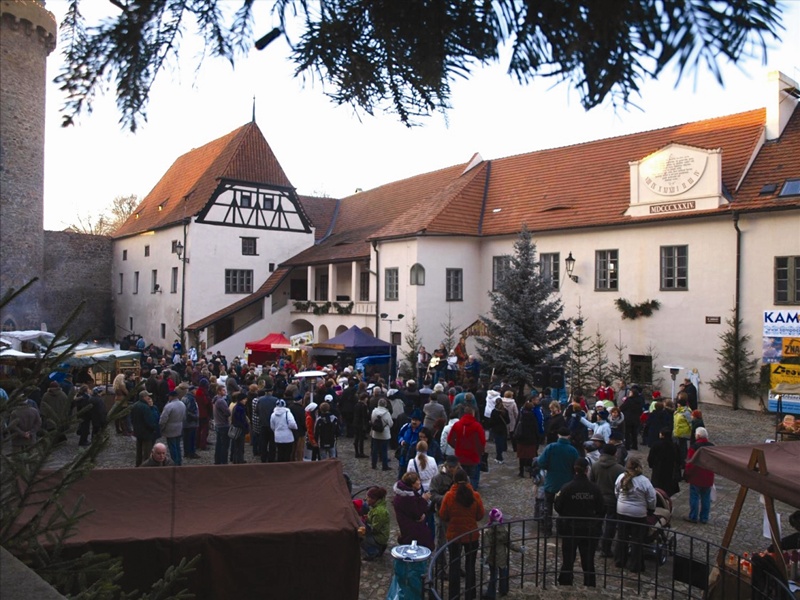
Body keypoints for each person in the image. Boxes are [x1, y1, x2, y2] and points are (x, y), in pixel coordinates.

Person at [554, 457, 605, 587]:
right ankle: (589, 583)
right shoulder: (594, 489)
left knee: (568, 558)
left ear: (574, 470)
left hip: (570, 527)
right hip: (589, 528)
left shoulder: (567, 487)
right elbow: (602, 508)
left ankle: (565, 581)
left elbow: (558, 506)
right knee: (588, 560)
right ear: (587, 470)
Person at [439, 469, 485, 600]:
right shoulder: (475, 495)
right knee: (470, 566)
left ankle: (454, 595)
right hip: (471, 534)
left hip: (454, 535)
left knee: (454, 565)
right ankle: (470, 594)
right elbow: (480, 515)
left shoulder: (449, 496)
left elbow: (443, 515)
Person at [614, 457, 657, 573]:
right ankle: (635, 565)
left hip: (622, 510)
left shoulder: (621, 477)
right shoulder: (644, 481)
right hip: (638, 513)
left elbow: (616, 492)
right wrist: (651, 509)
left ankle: (620, 560)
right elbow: (652, 497)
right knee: (637, 539)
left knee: (622, 536)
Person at [534, 427, 580, 535]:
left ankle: (547, 528)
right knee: (564, 508)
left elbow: (541, 462)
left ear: (558, 435)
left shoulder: (551, 447)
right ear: (569, 436)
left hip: (551, 481)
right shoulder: (573, 450)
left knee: (547, 506)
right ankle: (562, 529)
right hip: (567, 483)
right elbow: (576, 467)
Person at [591, 443, 626, 557]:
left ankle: (594, 544)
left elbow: (591, 482)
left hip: (598, 499)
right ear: (614, 454)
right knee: (610, 525)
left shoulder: (595, 466)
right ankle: (606, 549)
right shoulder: (619, 469)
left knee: (597, 522)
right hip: (612, 500)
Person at [482, 508, 524, 599]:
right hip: (502, 556)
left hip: (492, 557)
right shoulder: (504, 532)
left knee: (493, 576)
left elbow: (487, 546)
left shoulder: (489, 532)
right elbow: (510, 544)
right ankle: (504, 590)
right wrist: (519, 549)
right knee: (503, 574)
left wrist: (485, 556)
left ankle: (491, 594)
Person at [429, 456, 460, 578]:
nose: (451, 469)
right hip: (441, 513)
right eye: (449, 467)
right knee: (441, 541)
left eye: (453, 467)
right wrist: (447, 499)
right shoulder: (437, 478)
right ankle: (440, 568)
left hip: (456, 514)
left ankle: (456, 566)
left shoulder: (461, 476)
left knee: (457, 541)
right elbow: (432, 494)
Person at [447, 405, 486, 490]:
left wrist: (456, 446)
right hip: (473, 456)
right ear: (473, 414)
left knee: (460, 477)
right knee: (473, 478)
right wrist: (480, 451)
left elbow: (450, 439)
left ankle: (461, 492)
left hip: (460, 455)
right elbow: (482, 441)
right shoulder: (477, 426)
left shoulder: (457, 425)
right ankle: (471, 493)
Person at [393, 471, 435, 550]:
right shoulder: (408, 498)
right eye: (417, 480)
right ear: (412, 484)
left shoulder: (406, 495)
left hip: (408, 528)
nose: (419, 482)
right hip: (413, 530)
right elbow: (417, 514)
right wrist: (424, 500)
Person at [684, 426, 714, 524]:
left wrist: (687, 473)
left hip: (696, 475)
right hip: (708, 475)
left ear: (698, 435)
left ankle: (693, 516)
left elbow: (690, 462)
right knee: (706, 498)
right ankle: (704, 518)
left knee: (694, 497)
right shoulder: (712, 447)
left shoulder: (694, 447)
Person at [647, 427, 681, 496]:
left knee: (657, 488)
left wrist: (651, 465)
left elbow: (651, 458)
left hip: (658, 470)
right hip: (670, 471)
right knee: (668, 489)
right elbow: (678, 459)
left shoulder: (656, 445)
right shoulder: (674, 446)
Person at [360, 487, 390, 561]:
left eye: (368, 497)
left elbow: (375, 529)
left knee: (359, 537)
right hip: (380, 535)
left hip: (379, 537)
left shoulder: (379, 512)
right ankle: (379, 547)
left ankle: (373, 551)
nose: (366, 499)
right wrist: (367, 519)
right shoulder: (376, 507)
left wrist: (364, 526)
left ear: (374, 499)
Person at [131, 390, 160, 466]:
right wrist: (154, 428)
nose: (149, 397)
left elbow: (132, 419)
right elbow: (149, 421)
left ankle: (138, 465)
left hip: (138, 432)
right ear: (144, 397)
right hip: (147, 433)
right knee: (147, 452)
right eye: (148, 396)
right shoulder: (146, 407)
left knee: (139, 451)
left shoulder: (135, 405)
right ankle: (145, 467)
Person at [159, 389, 186, 465]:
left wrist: (161, 427)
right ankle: (179, 461)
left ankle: (174, 462)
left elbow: (163, 419)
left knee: (172, 446)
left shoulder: (169, 406)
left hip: (170, 428)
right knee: (178, 446)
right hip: (179, 426)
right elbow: (184, 416)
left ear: (171, 397)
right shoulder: (182, 404)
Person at [397, 409, 424, 477]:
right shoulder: (406, 427)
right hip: (404, 453)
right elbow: (400, 435)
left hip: (414, 454)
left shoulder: (423, 430)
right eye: (413, 420)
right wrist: (401, 441)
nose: (414, 422)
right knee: (401, 473)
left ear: (420, 421)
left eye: (416, 420)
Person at [270, 398, 298, 462]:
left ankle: (280, 466)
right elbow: (292, 424)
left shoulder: (273, 414)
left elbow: (272, 426)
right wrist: (295, 428)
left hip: (278, 437)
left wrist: (276, 431)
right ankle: (286, 466)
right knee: (287, 453)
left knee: (280, 453)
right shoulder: (288, 413)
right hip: (288, 437)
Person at [370, 398, 394, 470]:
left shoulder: (374, 411)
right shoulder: (387, 413)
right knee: (384, 450)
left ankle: (373, 464)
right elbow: (391, 423)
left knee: (375, 450)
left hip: (375, 433)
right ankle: (384, 465)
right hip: (385, 434)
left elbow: (372, 420)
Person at [619, 385, 645, 451]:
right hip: (636, 418)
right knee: (634, 433)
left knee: (627, 433)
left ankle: (627, 446)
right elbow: (641, 410)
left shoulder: (629, 400)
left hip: (628, 418)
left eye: (630, 392)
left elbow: (622, 408)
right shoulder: (639, 400)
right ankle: (635, 445)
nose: (629, 394)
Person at [212, 384, 231, 465]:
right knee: (224, 445)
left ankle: (218, 460)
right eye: (223, 390)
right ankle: (224, 461)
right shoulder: (221, 401)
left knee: (219, 444)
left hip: (218, 424)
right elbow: (228, 412)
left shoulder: (215, 399)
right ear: (219, 391)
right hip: (223, 425)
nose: (225, 391)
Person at [180, 383, 200, 459]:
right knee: (191, 438)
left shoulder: (183, 397)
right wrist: (196, 417)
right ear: (192, 391)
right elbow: (191, 411)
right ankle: (191, 453)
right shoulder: (191, 399)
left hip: (184, 421)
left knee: (186, 438)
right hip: (191, 422)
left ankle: (186, 452)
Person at [230, 392, 250, 464]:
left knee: (236, 445)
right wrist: (246, 428)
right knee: (240, 446)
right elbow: (242, 420)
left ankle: (236, 459)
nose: (246, 400)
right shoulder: (240, 408)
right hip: (240, 429)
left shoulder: (236, 407)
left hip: (236, 428)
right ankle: (240, 460)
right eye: (244, 399)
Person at [489, 398, 510, 463]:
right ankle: (499, 456)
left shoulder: (494, 411)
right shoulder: (505, 411)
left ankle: (499, 457)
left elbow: (491, 422)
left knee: (498, 443)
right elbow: (508, 421)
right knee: (501, 442)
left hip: (496, 429)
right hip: (503, 429)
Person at [352, 392, 371, 458]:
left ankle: (357, 452)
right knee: (361, 439)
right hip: (361, 424)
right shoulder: (363, 406)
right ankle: (361, 452)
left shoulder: (356, 405)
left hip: (356, 423)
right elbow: (364, 416)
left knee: (357, 438)